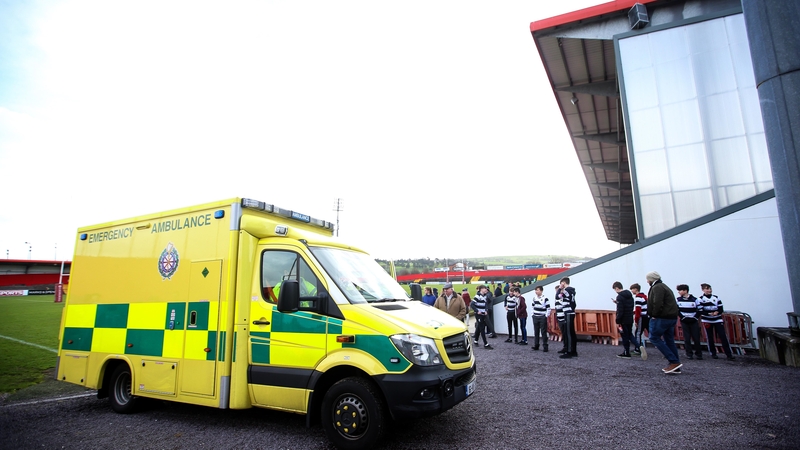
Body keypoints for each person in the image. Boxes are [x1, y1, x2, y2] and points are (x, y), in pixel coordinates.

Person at [646, 271, 682, 374]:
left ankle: (673, 361)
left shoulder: (657, 288)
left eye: (648, 279)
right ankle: (675, 364)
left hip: (662, 317)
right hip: (671, 317)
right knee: (669, 340)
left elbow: (657, 302)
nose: (647, 281)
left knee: (654, 337)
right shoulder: (664, 286)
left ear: (651, 279)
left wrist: (654, 314)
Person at [697, 283, 735, 360]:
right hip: (707, 319)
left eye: (710, 289)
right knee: (709, 337)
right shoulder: (700, 299)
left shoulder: (716, 298)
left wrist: (717, 312)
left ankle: (729, 354)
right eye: (707, 289)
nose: (709, 290)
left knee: (723, 336)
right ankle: (713, 353)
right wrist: (709, 313)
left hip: (717, 319)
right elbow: (700, 310)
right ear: (703, 290)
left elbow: (721, 309)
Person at [676, 284, 703, 360]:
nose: (679, 292)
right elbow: (677, 310)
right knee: (687, 338)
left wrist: (695, 318)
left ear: (685, 291)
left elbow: (700, 310)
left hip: (693, 321)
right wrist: (683, 317)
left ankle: (699, 354)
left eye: (680, 290)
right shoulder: (678, 300)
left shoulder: (695, 299)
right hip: (684, 321)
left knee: (696, 337)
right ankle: (689, 353)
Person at [612, 281, 634, 359]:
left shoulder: (620, 297)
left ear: (617, 288)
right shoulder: (630, 296)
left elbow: (620, 310)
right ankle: (639, 346)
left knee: (624, 336)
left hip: (623, 319)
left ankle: (626, 352)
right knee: (630, 334)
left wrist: (618, 321)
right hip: (630, 317)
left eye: (615, 289)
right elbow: (630, 306)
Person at [557, 277, 578, 359]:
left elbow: (559, 296)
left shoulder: (567, 290)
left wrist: (560, 288)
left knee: (569, 333)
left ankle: (569, 351)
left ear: (563, 283)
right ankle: (574, 351)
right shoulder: (572, 291)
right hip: (571, 312)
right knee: (572, 333)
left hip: (568, 312)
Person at [630, 283, 648, 360]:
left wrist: (636, 320)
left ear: (636, 289)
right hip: (646, 316)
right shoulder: (644, 297)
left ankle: (638, 349)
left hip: (641, 317)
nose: (631, 291)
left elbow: (638, 310)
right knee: (651, 332)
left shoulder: (638, 298)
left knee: (638, 333)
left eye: (632, 289)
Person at [530, 285, 550, 351]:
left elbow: (548, 308)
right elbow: (532, 306)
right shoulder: (534, 298)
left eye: (537, 290)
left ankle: (545, 346)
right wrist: (532, 314)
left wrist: (546, 316)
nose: (536, 292)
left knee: (543, 332)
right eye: (535, 290)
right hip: (535, 316)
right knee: (536, 331)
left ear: (541, 291)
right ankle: (536, 345)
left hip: (542, 317)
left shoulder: (545, 298)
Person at [555, 286, 567, 354]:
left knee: (566, 334)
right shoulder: (556, 299)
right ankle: (564, 347)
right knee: (563, 333)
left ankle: (567, 347)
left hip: (564, 318)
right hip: (559, 318)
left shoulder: (563, 298)